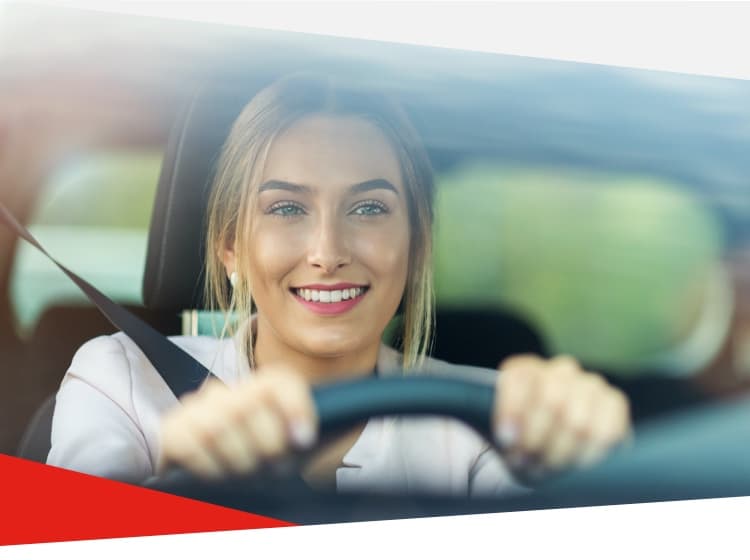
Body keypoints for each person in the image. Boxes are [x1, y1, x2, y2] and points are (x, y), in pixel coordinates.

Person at [47, 74, 631, 496]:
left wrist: (591, 477)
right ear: (231, 245)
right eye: (286, 209)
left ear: (418, 243)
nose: (327, 253)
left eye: (370, 207)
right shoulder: (121, 381)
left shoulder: (491, 420)